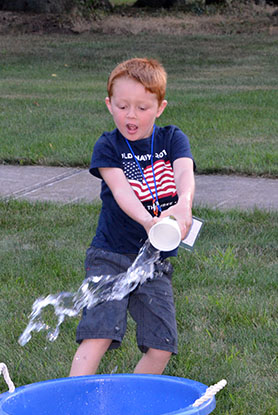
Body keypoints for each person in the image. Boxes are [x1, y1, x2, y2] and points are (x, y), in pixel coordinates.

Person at [69, 57, 195, 376]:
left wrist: (185, 204)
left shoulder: (172, 139)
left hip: (154, 260)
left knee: (162, 344)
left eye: (142, 107)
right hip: (109, 256)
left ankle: (128, 405)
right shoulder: (108, 145)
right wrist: (148, 221)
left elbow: (184, 174)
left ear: (160, 107)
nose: (131, 115)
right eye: (123, 105)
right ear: (109, 105)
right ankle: (73, 404)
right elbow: (122, 192)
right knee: (98, 333)